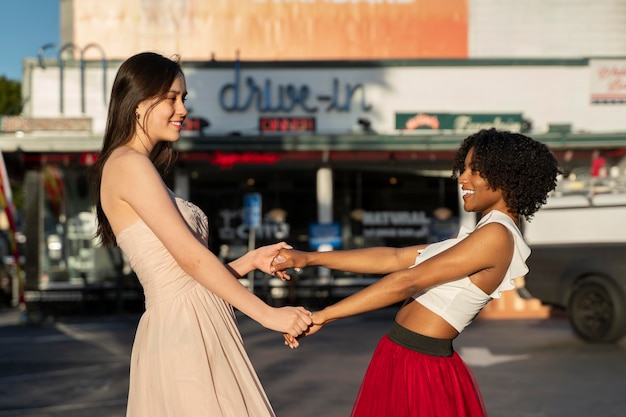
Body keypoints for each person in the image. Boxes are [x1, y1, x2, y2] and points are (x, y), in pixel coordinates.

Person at [272, 128, 562, 417]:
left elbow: (406, 281)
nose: (462, 178)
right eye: (465, 168)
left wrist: (324, 315)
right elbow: (394, 258)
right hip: (404, 354)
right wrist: (308, 258)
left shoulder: (496, 235)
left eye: (475, 171)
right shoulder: (484, 233)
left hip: (422, 366)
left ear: (507, 178)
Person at [89, 52, 312, 417]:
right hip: (185, 333)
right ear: (139, 103)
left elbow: (184, 273)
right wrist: (268, 315)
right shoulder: (129, 164)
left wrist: (249, 261)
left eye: (184, 98)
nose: (183, 109)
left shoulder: (133, 165)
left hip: (190, 325)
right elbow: (189, 259)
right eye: (172, 98)